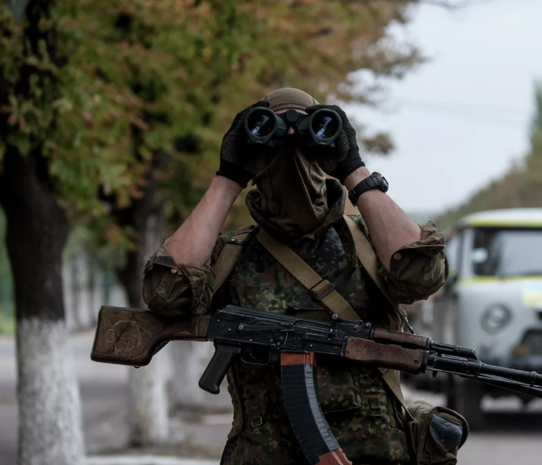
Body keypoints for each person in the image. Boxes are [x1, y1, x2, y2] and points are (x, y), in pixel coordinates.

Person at [141, 88, 448, 465]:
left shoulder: (369, 243)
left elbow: (423, 275)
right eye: (273, 138)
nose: (291, 151)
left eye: (305, 136)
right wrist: (229, 176)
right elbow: (165, 293)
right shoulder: (228, 255)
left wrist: (354, 169)